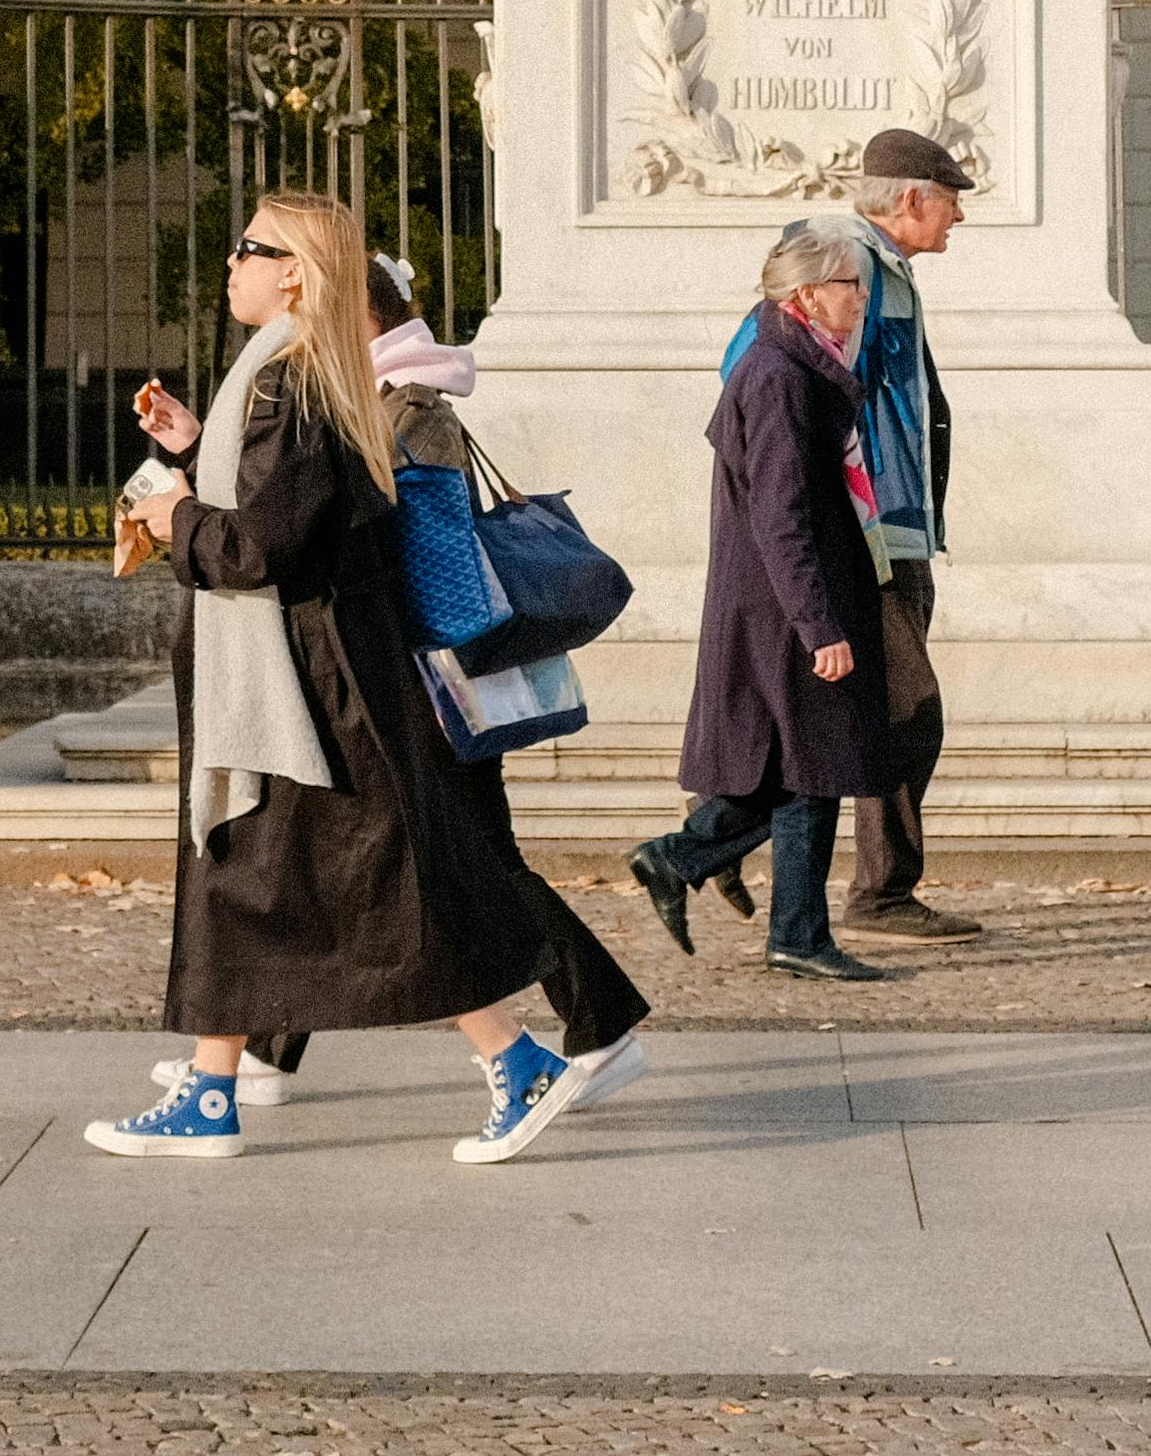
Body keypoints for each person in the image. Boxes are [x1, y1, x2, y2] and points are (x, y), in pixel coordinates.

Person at [89, 190, 582, 1166]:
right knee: (248, 875)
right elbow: (284, 504)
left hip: (310, 688)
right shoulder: (291, 376)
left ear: (295, 275)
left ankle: (517, 1058)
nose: (229, 261)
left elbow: (261, 544)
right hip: (305, 679)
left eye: (249, 247)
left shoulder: (291, 380)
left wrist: (173, 514)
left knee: (366, 889)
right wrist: (194, 457)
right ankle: (212, 1085)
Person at [179, 259, 654, 1127]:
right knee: (359, 861)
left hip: (416, 668)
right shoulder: (378, 393)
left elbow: (330, 530)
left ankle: (596, 1021)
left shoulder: (400, 403)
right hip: (394, 660)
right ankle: (250, 1051)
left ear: (360, 313)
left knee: (451, 863)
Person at [630, 211, 894, 985]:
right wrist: (819, 624)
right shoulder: (779, 377)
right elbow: (782, 516)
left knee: (797, 764)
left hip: (787, 597)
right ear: (809, 295)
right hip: (787, 605)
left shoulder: (796, 364)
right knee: (811, 767)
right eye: (852, 286)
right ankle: (791, 929)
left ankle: (690, 864)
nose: (861, 300)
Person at [825, 130, 968, 940]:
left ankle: (878, 888)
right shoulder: (854, 266)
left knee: (886, 713)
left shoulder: (884, 268)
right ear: (910, 198)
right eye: (949, 199)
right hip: (877, 527)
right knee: (908, 710)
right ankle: (878, 892)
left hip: (899, 525)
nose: (957, 216)